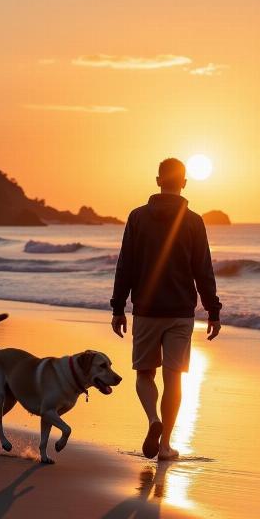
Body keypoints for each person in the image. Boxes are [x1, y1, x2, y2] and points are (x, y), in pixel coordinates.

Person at [110, 158, 222, 460]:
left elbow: (126, 267)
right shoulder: (194, 221)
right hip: (180, 312)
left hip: (146, 310)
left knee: (145, 373)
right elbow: (203, 270)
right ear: (184, 182)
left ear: (159, 180)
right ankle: (165, 445)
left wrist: (117, 307)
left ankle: (153, 420)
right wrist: (213, 310)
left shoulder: (137, 217)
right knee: (174, 378)